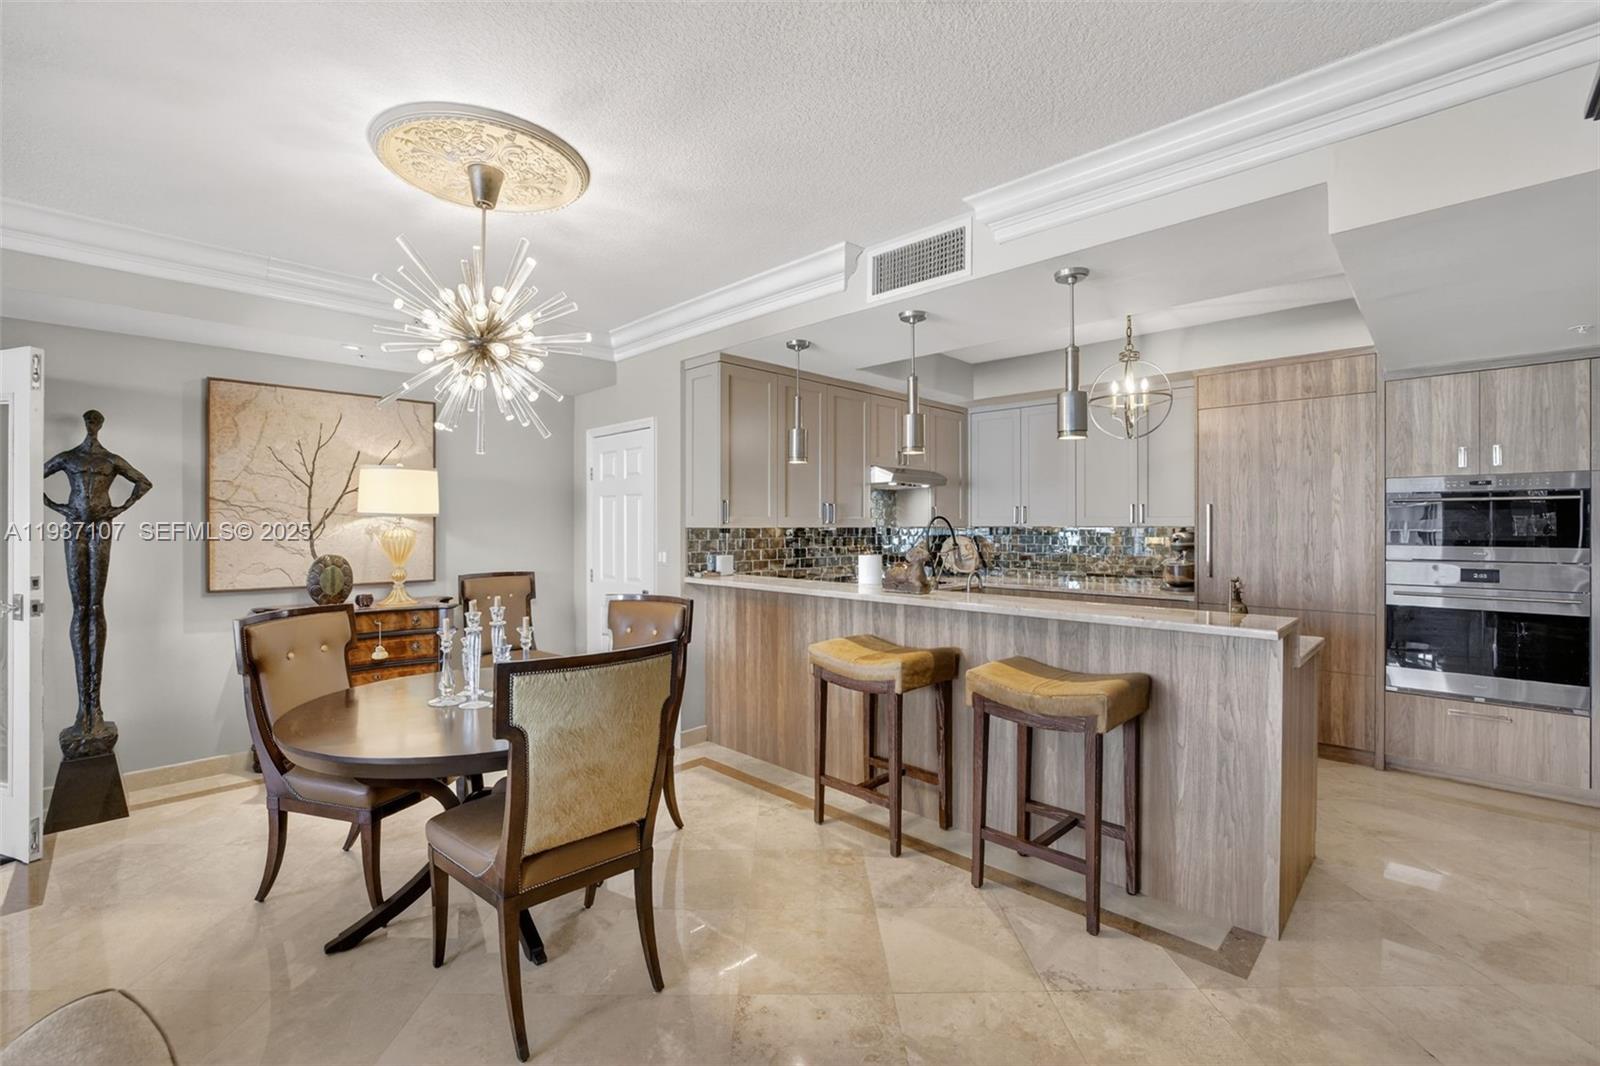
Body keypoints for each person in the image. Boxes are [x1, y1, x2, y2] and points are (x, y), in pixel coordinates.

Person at [43, 410, 152, 758]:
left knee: (95, 607)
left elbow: (143, 482)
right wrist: (58, 507)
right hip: (74, 524)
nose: (92, 428)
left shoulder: (110, 459)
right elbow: (30, 477)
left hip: (101, 526)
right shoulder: (68, 458)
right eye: (89, 423)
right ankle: (83, 709)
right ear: (85, 425)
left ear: (100, 426)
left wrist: (118, 509)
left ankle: (95, 707)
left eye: (96, 423)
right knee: (80, 609)